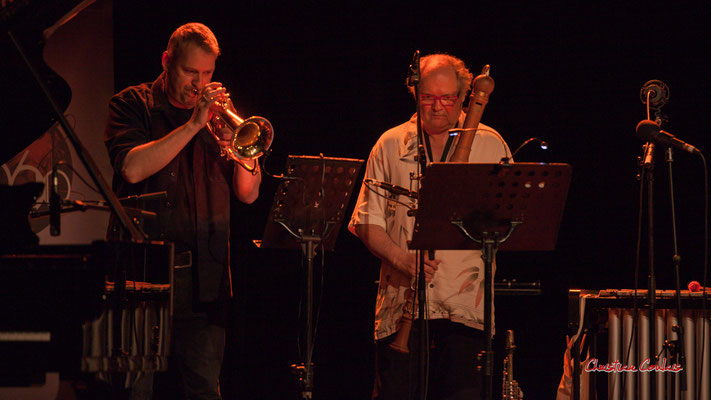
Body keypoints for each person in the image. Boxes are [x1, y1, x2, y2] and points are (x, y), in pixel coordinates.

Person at [104, 22, 261, 399]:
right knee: (134, 389)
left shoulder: (218, 119)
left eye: (207, 73)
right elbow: (131, 167)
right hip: (141, 271)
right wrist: (195, 124)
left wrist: (237, 146)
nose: (199, 82)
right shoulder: (130, 104)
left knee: (204, 389)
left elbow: (248, 194)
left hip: (203, 277)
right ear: (166, 62)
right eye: (191, 72)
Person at [348, 53, 511, 399]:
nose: (438, 106)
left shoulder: (490, 144)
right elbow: (366, 222)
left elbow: (509, 222)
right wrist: (403, 260)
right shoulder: (389, 144)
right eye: (428, 97)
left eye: (447, 97)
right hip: (401, 309)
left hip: (467, 310)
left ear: (464, 97)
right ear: (414, 94)